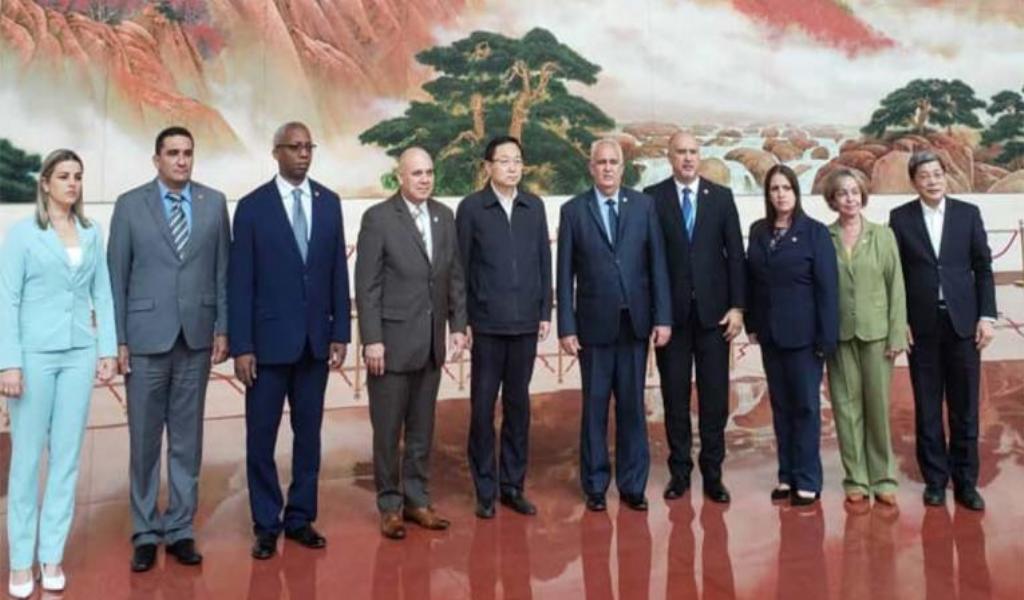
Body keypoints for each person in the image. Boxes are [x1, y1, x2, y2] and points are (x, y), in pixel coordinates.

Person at [107, 126, 230, 572]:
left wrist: (222, 328)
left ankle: (180, 528)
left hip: (196, 339)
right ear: (156, 159)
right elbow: (116, 277)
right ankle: (144, 530)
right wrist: (119, 339)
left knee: (187, 440)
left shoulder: (214, 203)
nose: (181, 160)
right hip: (145, 341)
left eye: (187, 153)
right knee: (144, 441)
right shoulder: (129, 205)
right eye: (173, 153)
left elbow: (222, 271)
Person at [228, 122, 350, 558]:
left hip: (315, 344)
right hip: (266, 347)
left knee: (308, 436)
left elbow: (337, 272)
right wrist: (242, 345)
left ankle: (300, 518)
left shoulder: (329, 203)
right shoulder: (252, 208)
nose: (303, 154)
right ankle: (266, 523)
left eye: (308, 147)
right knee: (261, 438)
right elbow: (239, 282)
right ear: (276, 152)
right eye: (294, 147)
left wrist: (341, 332)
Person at [0, 149, 117, 597]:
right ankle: (19, 561)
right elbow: (7, 301)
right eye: (64, 176)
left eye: (78, 176)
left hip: (79, 354)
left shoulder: (91, 232)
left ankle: (51, 555)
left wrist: (107, 349)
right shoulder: (22, 235)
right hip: (33, 357)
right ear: (45, 183)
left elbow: (102, 294)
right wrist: (9, 362)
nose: (72, 183)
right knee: (27, 462)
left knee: (66, 460)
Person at [355, 146, 468, 539]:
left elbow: (454, 276)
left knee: (422, 430)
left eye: (429, 172)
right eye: (417, 173)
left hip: (431, 345)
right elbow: (367, 286)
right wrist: (372, 340)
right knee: (388, 432)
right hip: (390, 346)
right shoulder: (378, 219)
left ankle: (417, 500)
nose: (425, 179)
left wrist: (458, 325)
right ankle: (389, 505)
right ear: (400, 176)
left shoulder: (444, 216)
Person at [556, 138, 672, 513]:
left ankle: (633, 485)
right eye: (601, 162)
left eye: (614, 162)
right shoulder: (573, 211)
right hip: (592, 327)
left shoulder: (643, 206)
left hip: (634, 324)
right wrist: (566, 326)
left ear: (623, 168)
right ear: (591, 167)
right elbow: (564, 274)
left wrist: (663, 317)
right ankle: (594, 485)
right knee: (594, 407)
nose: (607, 168)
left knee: (632, 407)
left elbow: (657, 264)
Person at [888, 150, 996, 511]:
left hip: (963, 323)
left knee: (965, 408)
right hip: (921, 327)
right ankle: (935, 480)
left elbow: (983, 268)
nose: (932, 181)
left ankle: (966, 482)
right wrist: (899, 320)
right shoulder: (900, 218)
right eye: (924, 176)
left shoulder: (968, 214)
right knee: (928, 406)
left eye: (937, 174)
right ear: (914, 182)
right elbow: (896, 275)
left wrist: (987, 316)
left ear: (945, 176)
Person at [643, 132, 745, 503]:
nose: (687, 158)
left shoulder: (721, 197)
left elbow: (735, 255)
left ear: (700, 155)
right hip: (671, 319)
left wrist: (737, 307)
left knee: (715, 399)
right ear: (669, 157)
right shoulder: (652, 198)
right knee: (675, 398)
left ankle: (713, 474)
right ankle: (680, 472)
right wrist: (655, 313)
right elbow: (647, 259)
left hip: (714, 318)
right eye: (680, 152)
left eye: (693, 152)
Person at [456, 136, 552, 519]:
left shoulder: (534, 206)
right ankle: (485, 488)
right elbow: (461, 268)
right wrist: (462, 320)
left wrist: (545, 311)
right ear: (488, 166)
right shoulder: (472, 208)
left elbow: (544, 261)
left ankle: (513, 485)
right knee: (482, 408)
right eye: (504, 161)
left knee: (518, 407)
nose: (512, 168)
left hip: (525, 323)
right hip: (487, 325)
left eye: (518, 161)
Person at [746, 164, 838, 506]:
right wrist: (752, 324)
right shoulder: (759, 231)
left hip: (805, 337)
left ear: (796, 192)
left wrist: (826, 337)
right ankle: (787, 475)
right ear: (768, 194)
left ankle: (808, 479)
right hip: (770, 335)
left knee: (806, 407)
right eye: (774, 189)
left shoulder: (814, 232)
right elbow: (752, 280)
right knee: (781, 406)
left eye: (786, 188)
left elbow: (828, 288)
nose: (781, 194)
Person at [821, 168, 906, 507]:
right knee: (845, 407)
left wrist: (897, 333)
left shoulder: (883, 235)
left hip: (877, 334)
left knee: (877, 407)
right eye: (842, 193)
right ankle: (855, 478)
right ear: (833, 199)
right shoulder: (823, 236)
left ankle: (883, 478)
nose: (850, 199)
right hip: (839, 334)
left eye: (855, 192)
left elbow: (896, 285)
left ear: (863, 196)